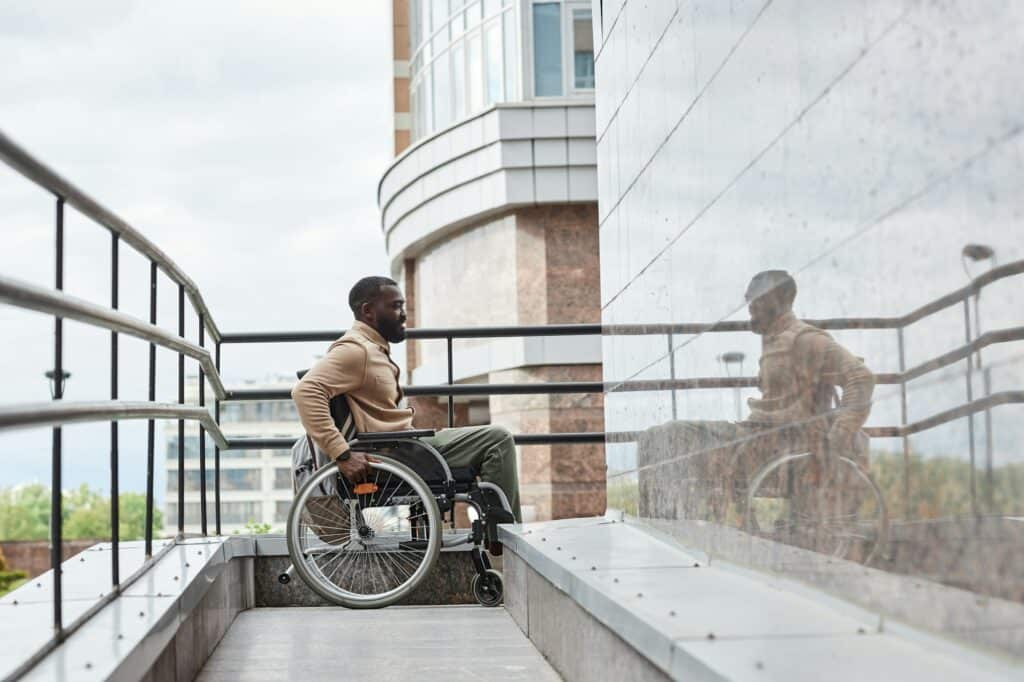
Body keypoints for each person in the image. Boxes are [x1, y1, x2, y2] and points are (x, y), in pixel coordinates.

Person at [638, 270, 875, 525]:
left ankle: (669, 529)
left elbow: (861, 377)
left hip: (775, 444)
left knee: (672, 435)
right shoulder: (774, 341)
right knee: (651, 438)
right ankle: (665, 528)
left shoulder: (805, 339)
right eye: (749, 299)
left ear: (781, 298)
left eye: (758, 298)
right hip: (759, 439)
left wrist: (835, 440)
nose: (751, 306)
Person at [291, 276, 522, 528]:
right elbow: (305, 391)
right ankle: (506, 536)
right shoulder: (356, 350)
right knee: (497, 440)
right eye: (395, 306)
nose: (403, 315)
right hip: (394, 454)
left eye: (403, 307)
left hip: (401, 446)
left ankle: (498, 529)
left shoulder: (371, 348)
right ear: (368, 311)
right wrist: (342, 454)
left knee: (490, 440)